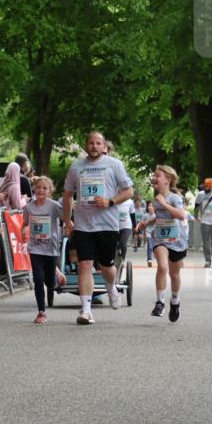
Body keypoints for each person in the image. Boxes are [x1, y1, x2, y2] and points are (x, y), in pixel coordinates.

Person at [62, 131, 133, 325]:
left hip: (108, 224)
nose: (94, 146)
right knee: (84, 265)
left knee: (106, 265)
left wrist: (110, 202)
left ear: (104, 146)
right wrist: (68, 221)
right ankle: (86, 311)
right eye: (91, 143)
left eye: (98, 143)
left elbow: (129, 191)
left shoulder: (114, 165)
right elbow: (68, 195)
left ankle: (111, 288)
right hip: (84, 225)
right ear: (86, 145)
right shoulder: (77, 167)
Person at [136, 165, 187, 321]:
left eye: (158, 175)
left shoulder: (175, 198)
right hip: (160, 239)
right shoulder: (155, 200)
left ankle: (175, 301)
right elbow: (159, 219)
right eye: (154, 175)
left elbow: (180, 215)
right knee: (163, 267)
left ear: (168, 180)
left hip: (177, 241)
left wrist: (164, 203)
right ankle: (159, 302)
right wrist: (147, 224)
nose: (154, 178)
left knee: (175, 274)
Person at [21, 176, 63, 324]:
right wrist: (23, 230)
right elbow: (25, 222)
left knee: (50, 283)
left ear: (50, 191)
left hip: (51, 248)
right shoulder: (29, 207)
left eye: (45, 188)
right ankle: (41, 312)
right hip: (35, 247)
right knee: (38, 278)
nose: (41, 190)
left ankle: (55, 274)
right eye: (38, 187)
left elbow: (65, 217)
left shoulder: (54, 206)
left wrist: (70, 225)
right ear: (34, 189)